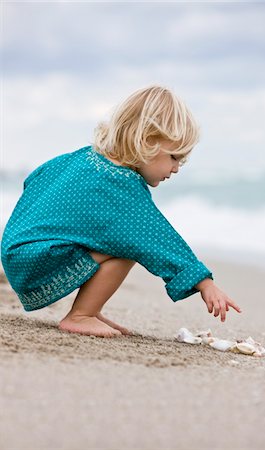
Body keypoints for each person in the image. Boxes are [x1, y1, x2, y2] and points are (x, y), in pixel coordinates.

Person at [1, 85, 241, 338]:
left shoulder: (84, 158)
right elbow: (155, 236)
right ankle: (82, 314)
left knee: (118, 237)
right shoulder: (121, 183)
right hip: (38, 259)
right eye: (174, 157)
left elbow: (35, 179)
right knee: (129, 245)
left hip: (16, 251)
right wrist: (204, 282)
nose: (176, 168)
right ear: (147, 142)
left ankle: (90, 308)